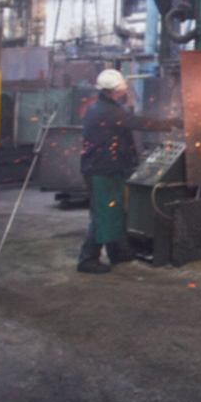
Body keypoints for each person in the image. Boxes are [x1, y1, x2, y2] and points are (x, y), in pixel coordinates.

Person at [77, 69, 181, 274]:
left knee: (115, 212)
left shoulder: (99, 106)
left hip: (106, 167)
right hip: (102, 170)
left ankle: (118, 252)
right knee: (102, 215)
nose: (124, 93)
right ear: (111, 91)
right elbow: (139, 123)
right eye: (121, 90)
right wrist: (172, 123)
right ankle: (87, 259)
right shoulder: (107, 111)